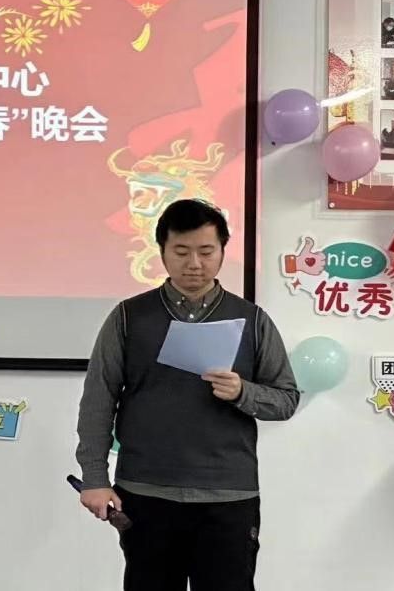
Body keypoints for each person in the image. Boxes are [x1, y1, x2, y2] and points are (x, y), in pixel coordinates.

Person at [75, 199, 298, 591]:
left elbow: (286, 399)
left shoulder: (252, 320)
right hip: (145, 491)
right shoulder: (129, 317)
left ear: (223, 251)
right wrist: (94, 477)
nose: (194, 263)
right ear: (162, 251)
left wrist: (243, 392)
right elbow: (98, 399)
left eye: (206, 251)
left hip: (228, 495)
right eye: (181, 252)